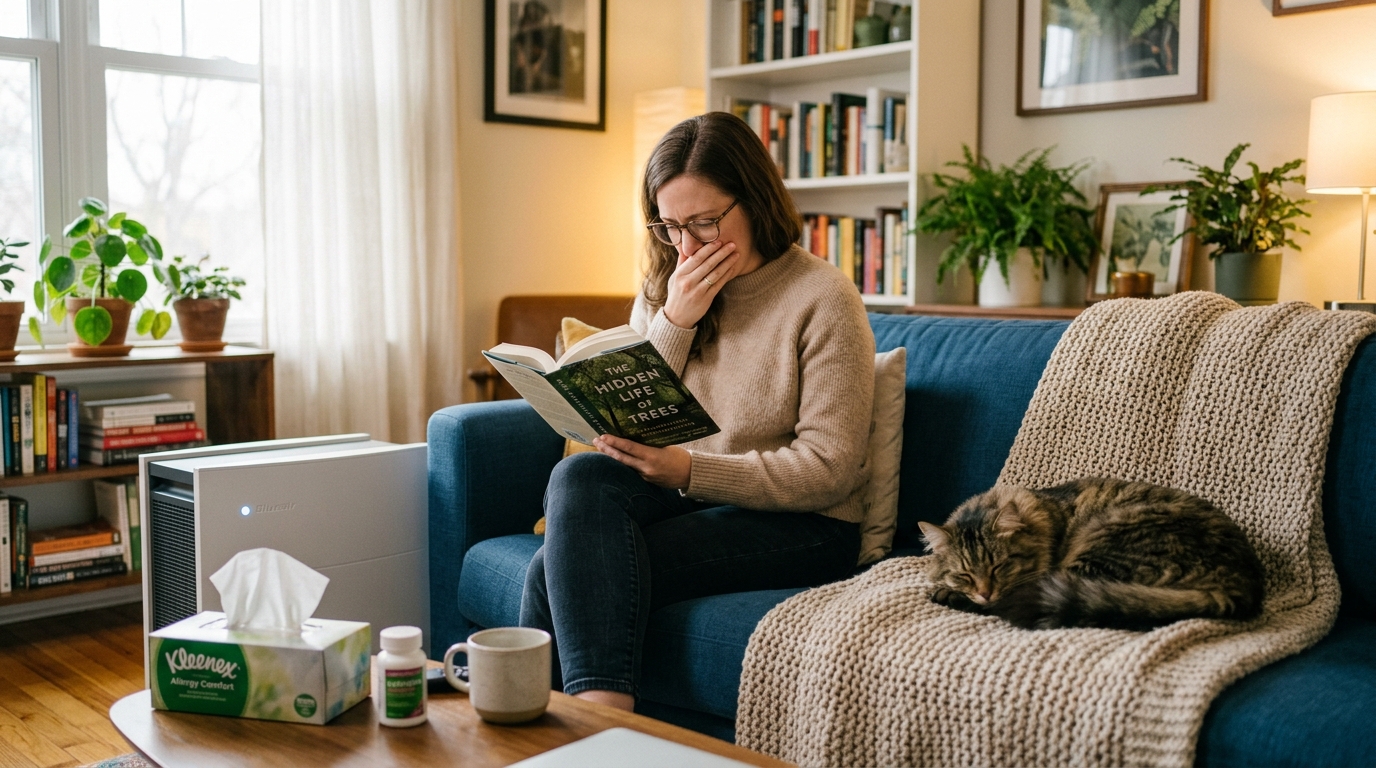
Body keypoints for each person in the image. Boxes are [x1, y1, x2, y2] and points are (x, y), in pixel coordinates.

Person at [519, 111, 875, 712]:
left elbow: (830, 469)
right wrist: (675, 321)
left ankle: (597, 732)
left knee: (554, 573)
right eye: (670, 227)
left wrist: (689, 471)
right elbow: (624, 423)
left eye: (705, 223)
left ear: (755, 200)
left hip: (807, 524)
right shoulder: (667, 285)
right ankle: (580, 733)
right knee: (579, 474)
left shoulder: (823, 296)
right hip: (694, 496)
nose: (686, 246)